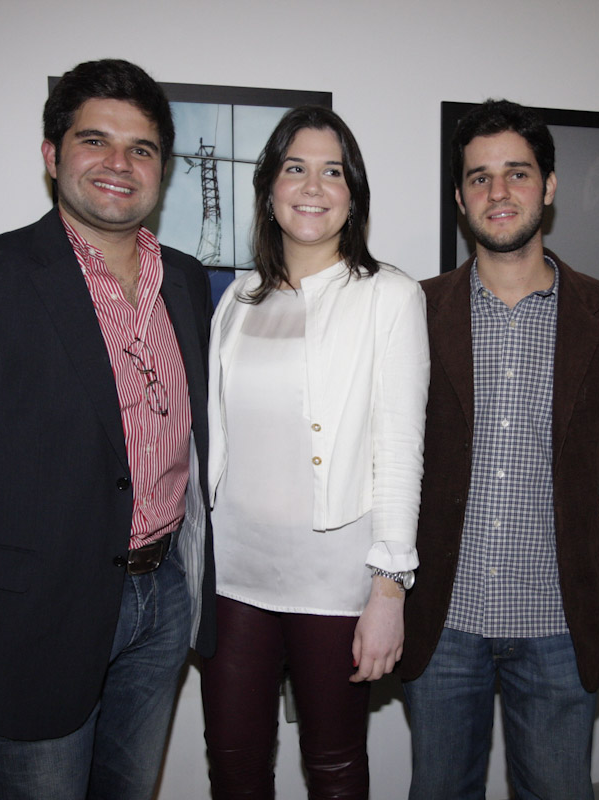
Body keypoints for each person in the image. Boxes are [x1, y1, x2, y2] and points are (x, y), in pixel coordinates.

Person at [0, 59, 215, 799]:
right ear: (51, 154)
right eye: (95, 140)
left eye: (141, 148)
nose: (119, 163)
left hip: (164, 601)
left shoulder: (188, 281)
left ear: (162, 168)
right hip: (32, 622)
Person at [399, 99, 599, 800]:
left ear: (548, 186)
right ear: (460, 197)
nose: (498, 192)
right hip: (444, 618)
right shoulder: (412, 310)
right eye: (479, 177)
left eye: (517, 173)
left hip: (558, 621)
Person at [200, 105, 429, 799]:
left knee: (334, 767)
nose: (312, 186)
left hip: (335, 580)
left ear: (353, 195)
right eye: (295, 168)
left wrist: (388, 591)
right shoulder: (237, 299)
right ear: (269, 188)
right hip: (233, 576)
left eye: (333, 172)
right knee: (233, 767)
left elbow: (401, 450)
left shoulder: (390, 296)